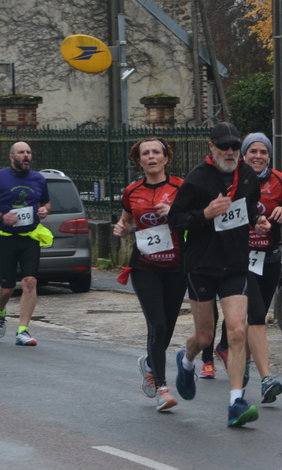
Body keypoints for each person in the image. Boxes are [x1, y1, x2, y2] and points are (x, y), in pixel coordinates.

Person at [167, 122, 271, 427]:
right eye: (223, 146)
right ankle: (186, 362)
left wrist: (259, 221)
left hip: (235, 264)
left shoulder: (248, 176)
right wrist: (205, 214)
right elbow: (175, 220)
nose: (229, 152)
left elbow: (249, 209)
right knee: (205, 337)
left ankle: (235, 403)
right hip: (201, 265)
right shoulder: (197, 179)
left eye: (234, 147)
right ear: (210, 148)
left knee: (238, 330)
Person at [209, 133, 282, 403]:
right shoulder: (234, 179)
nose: (258, 156)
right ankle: (266, 378)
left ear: (269, 155)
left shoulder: (280, 181)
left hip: (270, 257)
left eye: (263, 152)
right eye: (253, 151)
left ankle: (228, 348)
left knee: (246, 316)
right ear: (244, 154)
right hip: (240, 258)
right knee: (257, 313)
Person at [113, 137, 186, 412]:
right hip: (145, 268)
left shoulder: (181, 187)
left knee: (167, 325)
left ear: (167, 158)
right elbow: (126, 221)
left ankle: (149, 363)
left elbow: (195, 218)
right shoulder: (132, 191)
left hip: (177, 266)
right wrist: (120, 229)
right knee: (157, 324)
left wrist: (175, 212)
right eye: (146, 153)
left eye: (157, 152)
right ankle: (162, 387)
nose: (152, 157)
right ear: (139, 160)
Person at [0, 141, 53, 346]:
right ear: (11, 157)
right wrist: (3, 218)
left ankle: (23, 330)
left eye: (28, 152)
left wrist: (45, 210)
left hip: (30, 237)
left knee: (30, 281)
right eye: (21, 152)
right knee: (6, 288)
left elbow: (46, 202)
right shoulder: (0, 177)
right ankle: (0, 312)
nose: (26, 155)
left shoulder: (38, 178)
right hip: (5, 237)